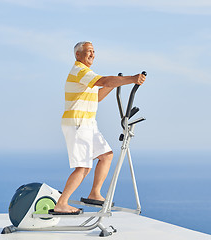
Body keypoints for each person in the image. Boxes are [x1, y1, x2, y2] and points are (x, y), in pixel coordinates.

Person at [54, 41, 146, 214]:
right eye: (88, 51)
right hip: (77, 123)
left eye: (94, 51)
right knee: (83, 167)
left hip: (88, 123)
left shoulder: (87, 74)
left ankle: (95, 193)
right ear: (78, 55)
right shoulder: (79, 71)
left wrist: (113, 84)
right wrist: (131, 79)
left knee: (106, 156)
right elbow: (104, 80)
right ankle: (62, 203)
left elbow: (98, 97)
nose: (92, 54)